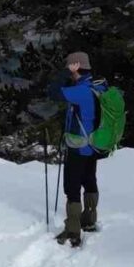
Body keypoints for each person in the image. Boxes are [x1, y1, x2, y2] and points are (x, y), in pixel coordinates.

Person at [48, 51, 101, 247]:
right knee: (89, 180)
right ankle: (89, 219)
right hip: (94, 144)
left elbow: (53, 92)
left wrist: (63, 75)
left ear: (76, 66)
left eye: (70, 67)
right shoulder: (97, 86)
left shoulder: (80, 91)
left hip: (78, 146)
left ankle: (72, 230)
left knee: (72, 187)